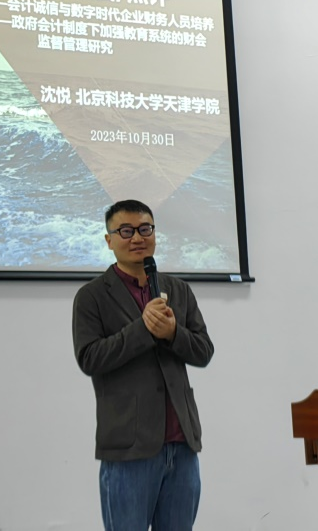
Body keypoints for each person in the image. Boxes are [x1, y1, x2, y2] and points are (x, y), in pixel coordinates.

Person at [72, 199, 215, 531]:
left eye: (145, 229)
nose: (137, 237)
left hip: (182, 443)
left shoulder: (178, 289)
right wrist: (143, 330)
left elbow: (203, 351)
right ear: (109, 240)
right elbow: (90, 358)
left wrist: (173, 333)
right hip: (129, 446)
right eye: (126, 231)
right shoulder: (92, 296)